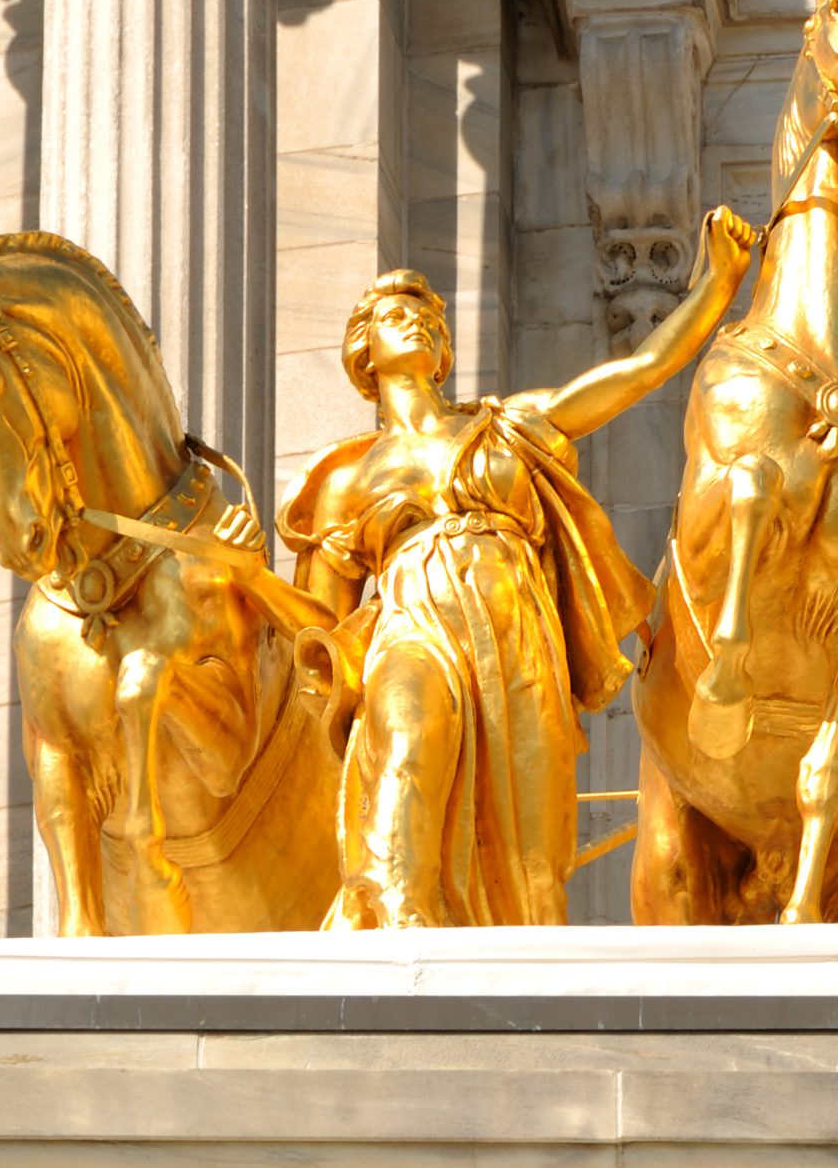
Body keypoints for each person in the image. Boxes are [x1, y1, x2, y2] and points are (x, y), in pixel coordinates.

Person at [283, 208, 758, 927]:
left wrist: (717, 284)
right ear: (364, 354)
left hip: (516, 635)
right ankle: (394, 930)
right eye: (391, 316)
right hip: (414, 627)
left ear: (443, 351)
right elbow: (314, 632)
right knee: (407, 741)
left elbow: (640, 371)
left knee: (534, 857)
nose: (414, 322)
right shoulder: (347, 481)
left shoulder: (506, 424)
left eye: (425, 317)